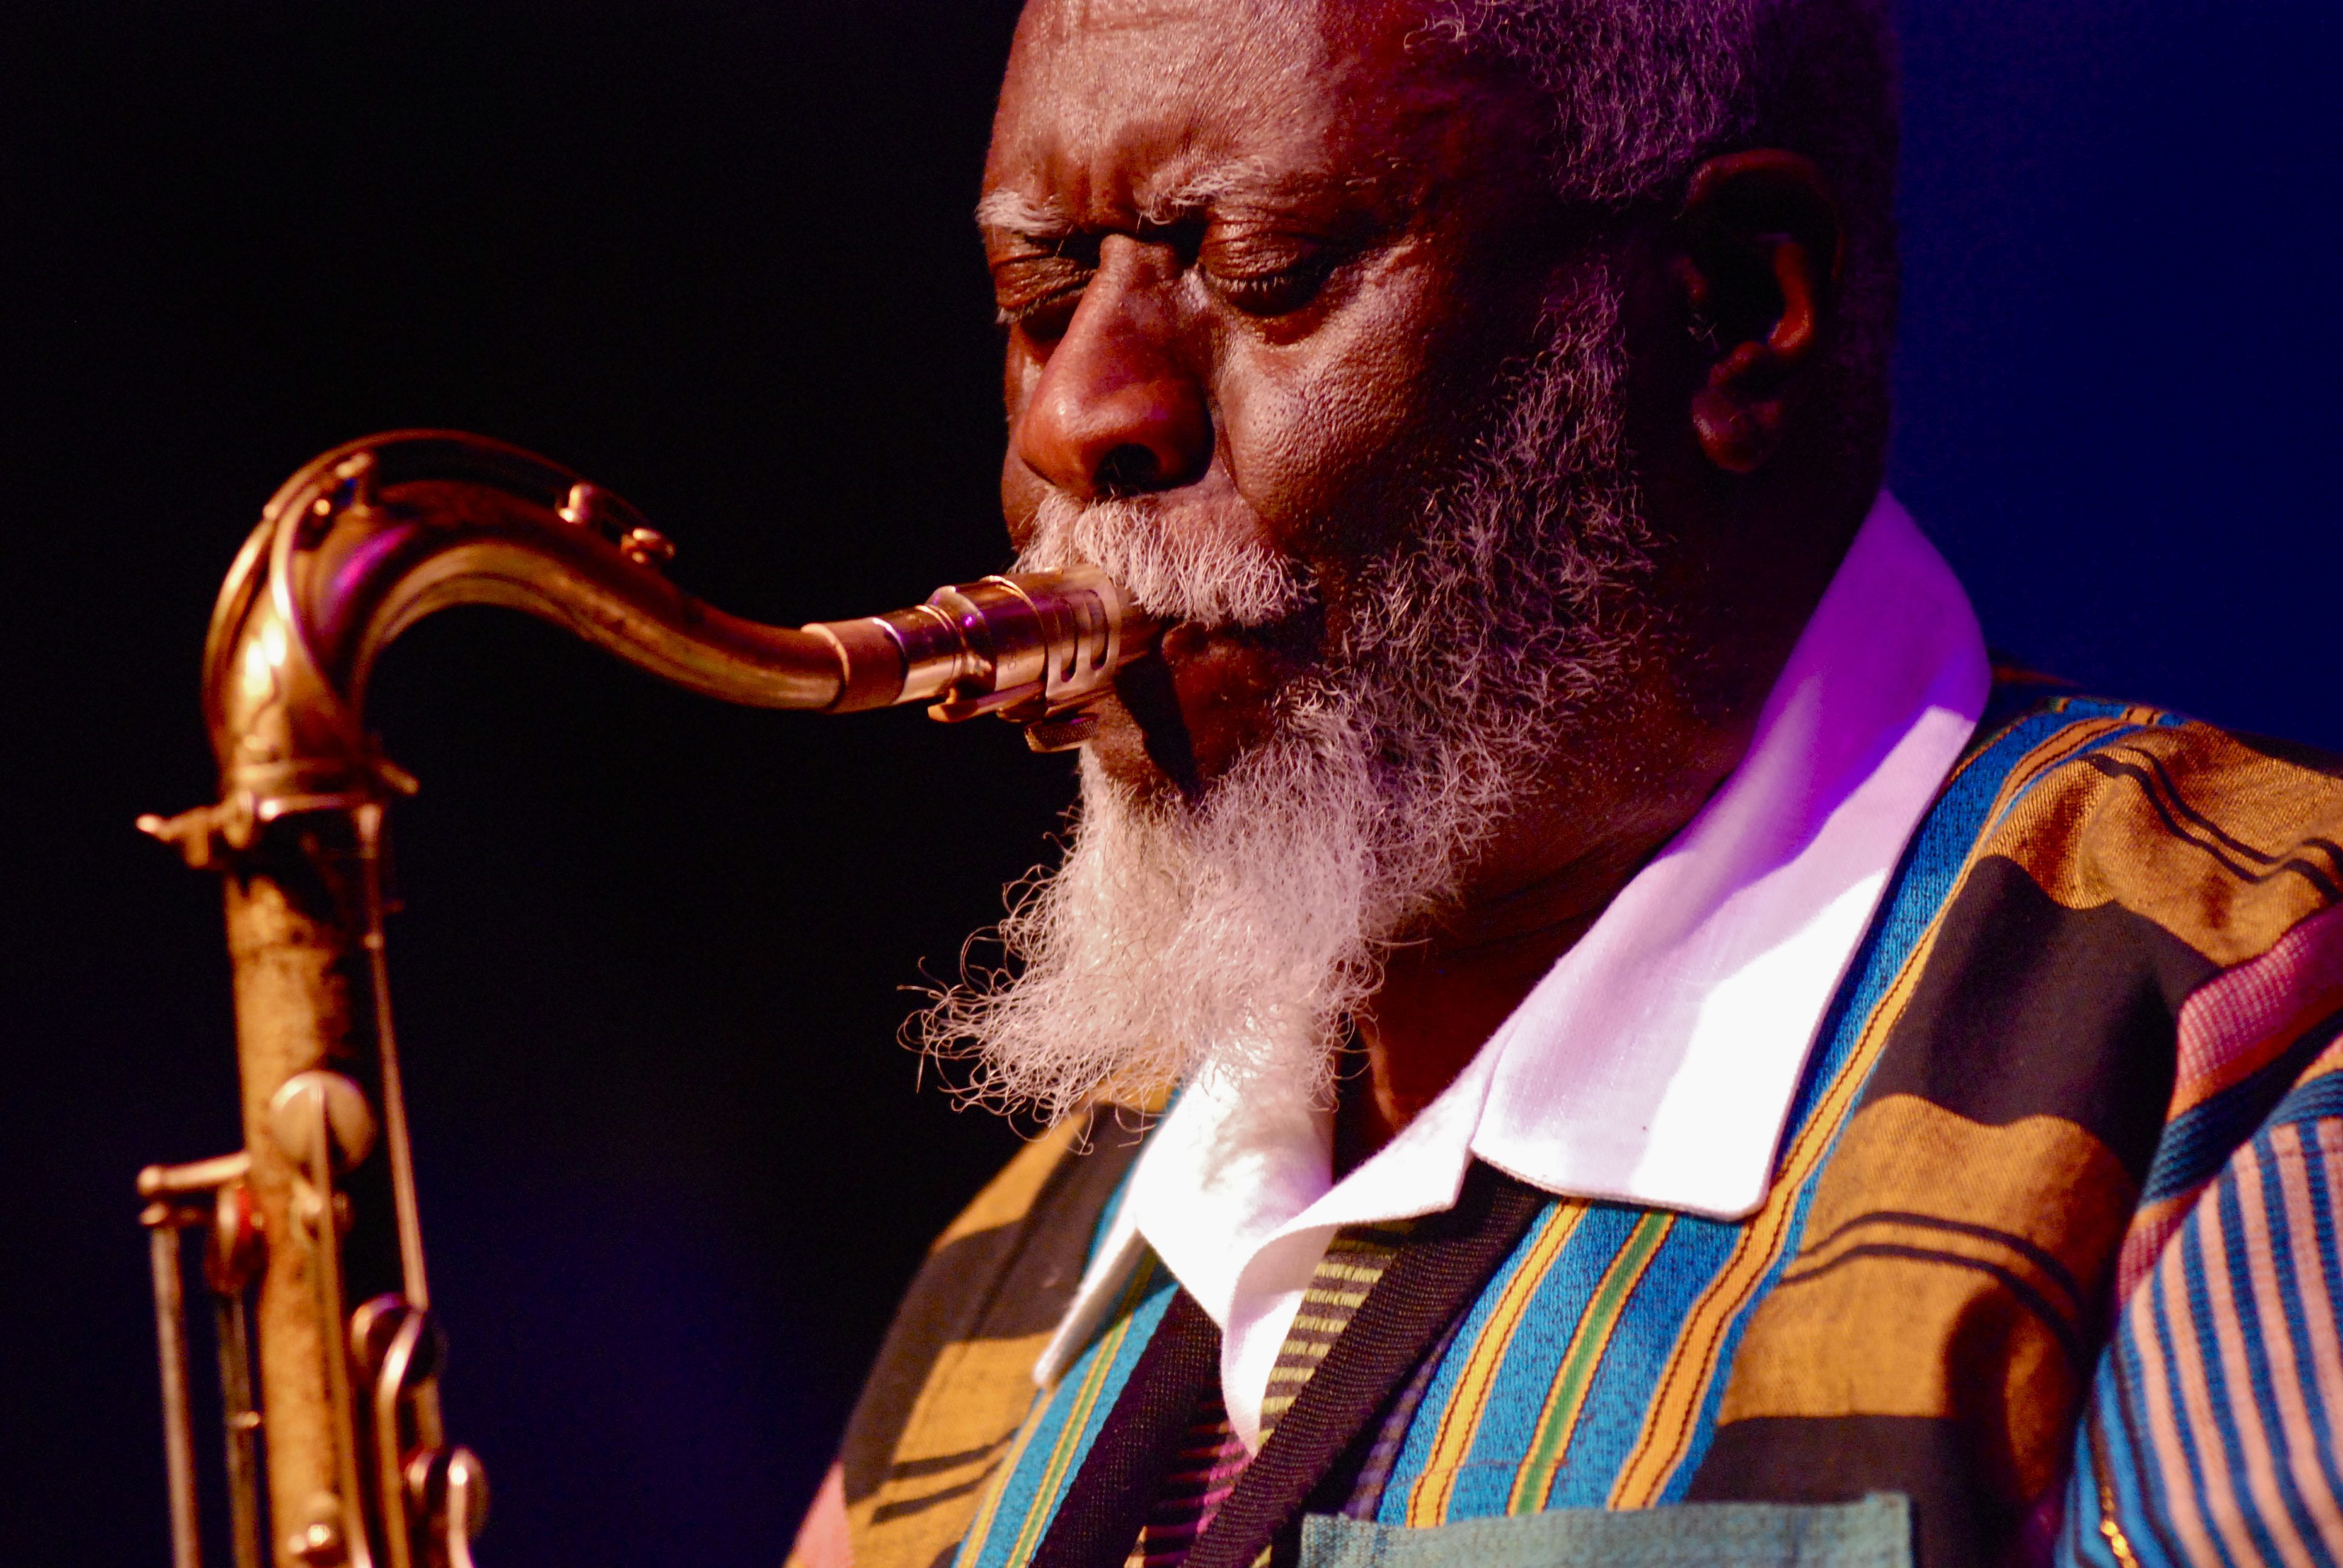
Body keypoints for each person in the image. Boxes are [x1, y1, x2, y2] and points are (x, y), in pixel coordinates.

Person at [793, 2, 2343, 1565]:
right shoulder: (1005, 1297)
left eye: (1266, 273)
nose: (1080, 418)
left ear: (1732, 313)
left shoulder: (2251, 1040)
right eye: (1040, 299)